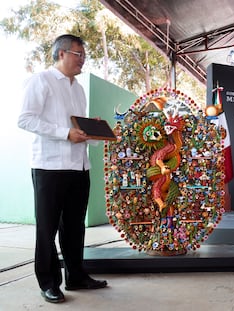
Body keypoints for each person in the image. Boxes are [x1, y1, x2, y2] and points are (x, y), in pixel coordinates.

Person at [17, 34, 107, 304]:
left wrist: (93, 130)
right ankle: (48, 282)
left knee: (75, 227)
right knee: (47, 228)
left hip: (79, 166)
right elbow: (25, 119)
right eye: (78, 54)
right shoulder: (40, 81)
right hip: (50, 166)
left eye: (84, 55)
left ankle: (76, 275)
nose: (83, 59)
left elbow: (76, 129)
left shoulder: (78, 88)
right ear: (61, 54)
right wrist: (64, 133)